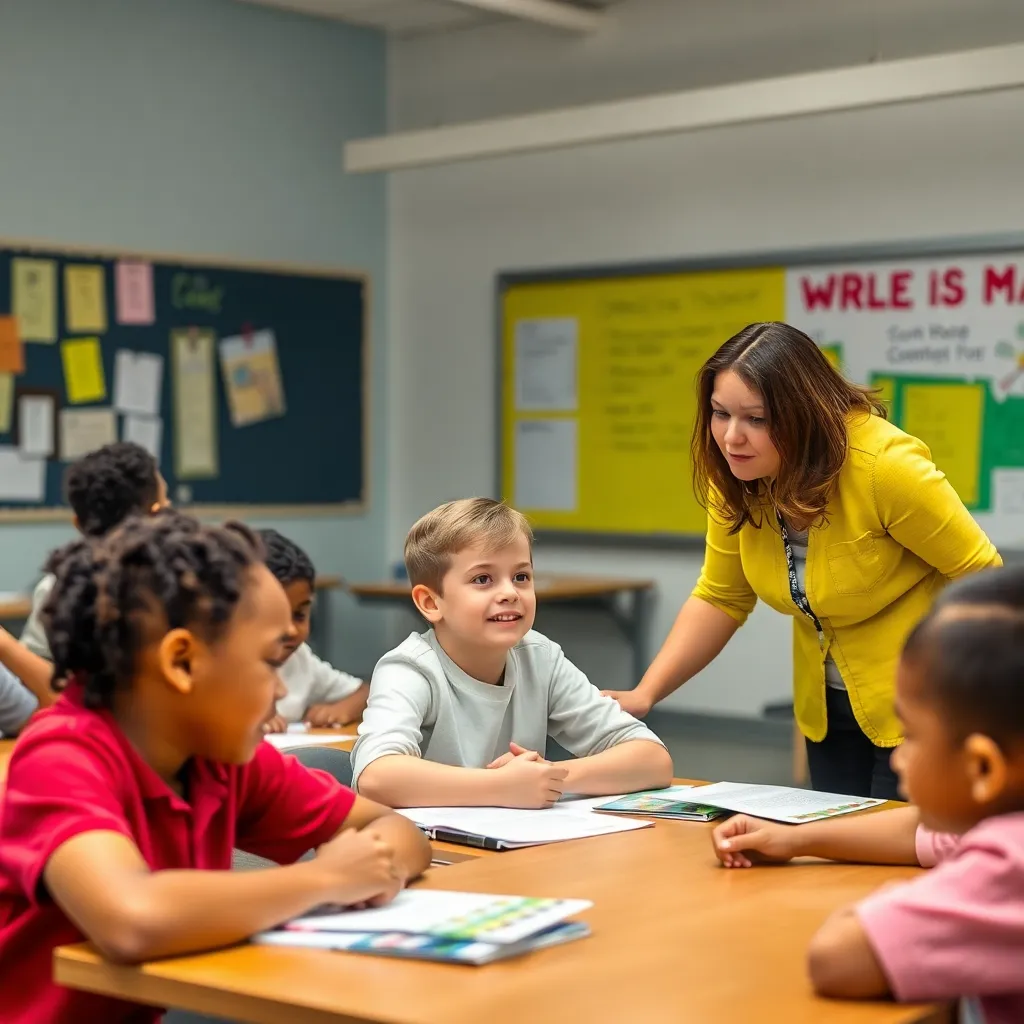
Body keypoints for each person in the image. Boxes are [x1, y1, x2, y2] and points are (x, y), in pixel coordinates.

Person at [0, 511, 431, 1024]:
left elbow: (400, 831)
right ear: (182, 663)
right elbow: (132, 918)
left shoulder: (217, 755)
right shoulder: (61, 756)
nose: (281, 690)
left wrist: (372, 864)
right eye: (270, 663)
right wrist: (328, 879)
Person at [604, 322, 1000, 799]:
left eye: (757, 419)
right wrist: (646, 694)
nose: (732, 438)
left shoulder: (884, 467)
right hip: (826, 711)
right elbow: (721, 596)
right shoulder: (736, 480)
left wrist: (976, 701)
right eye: (719, 413)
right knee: (836, 858)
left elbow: (982, 578)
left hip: (926, 707)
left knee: (898, 856)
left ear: (804, 413)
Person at [710, 566, 1024, 1023]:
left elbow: (838, 958)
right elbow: (917, 829)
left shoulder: (1009, 864)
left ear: (982, 767)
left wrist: (914, 897)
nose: (898, 758)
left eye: (912, 735)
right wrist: (796, 839)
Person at [352, 498, 672, 807]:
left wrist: (549, 778)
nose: (509, 592)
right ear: (431, 603)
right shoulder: (409, 669)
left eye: (521, 577)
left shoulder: (539, 656)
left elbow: (652, 759)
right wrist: (501, 786)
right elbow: (376, 776)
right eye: (482, 579)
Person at [20, 440, 169, 660]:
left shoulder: (58, 590)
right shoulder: (182, 583)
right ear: (157, 515)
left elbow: (35, 674)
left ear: (78, 524)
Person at [258, 528, 368, 733]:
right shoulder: (215, 665)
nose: (290, 630)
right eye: (274, 616)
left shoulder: (300, 659)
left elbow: (365, 693)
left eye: (299, 615)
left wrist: (341, 709)